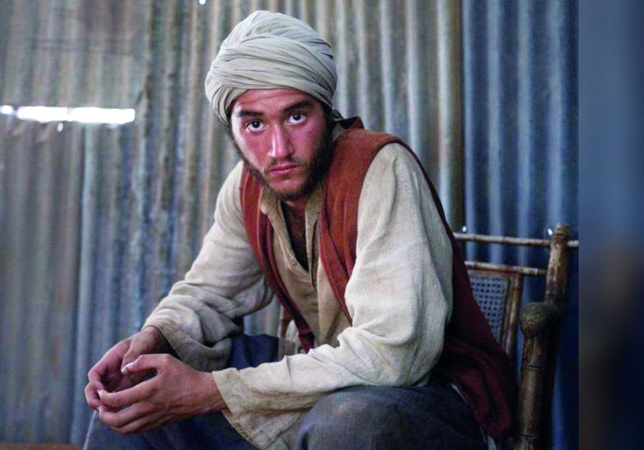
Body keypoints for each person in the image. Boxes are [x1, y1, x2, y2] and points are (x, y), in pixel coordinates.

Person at [83, 10, 515, 450]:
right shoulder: (248, 186)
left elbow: (396, 354)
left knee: (344, 423)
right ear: (232, 129)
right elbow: (208, 294)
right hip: (322, 381)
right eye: (254, 124)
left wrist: (213, 391)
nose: (278, 150)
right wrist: (152, 340)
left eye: (295, 117)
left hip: (426, 397)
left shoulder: (382, 170)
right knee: (135, 396)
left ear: (326, 112)